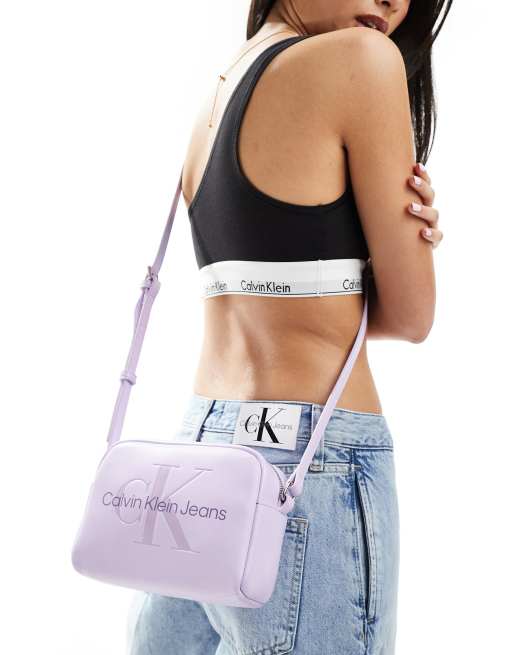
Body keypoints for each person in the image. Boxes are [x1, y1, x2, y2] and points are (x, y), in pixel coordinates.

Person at [128, 1, 451, 653]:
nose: (395, 2)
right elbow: (411, 316)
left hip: (199, 448)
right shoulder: (361, 59)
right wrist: (405, 245)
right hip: (308, 461)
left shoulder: (224, 80)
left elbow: (275, 300)